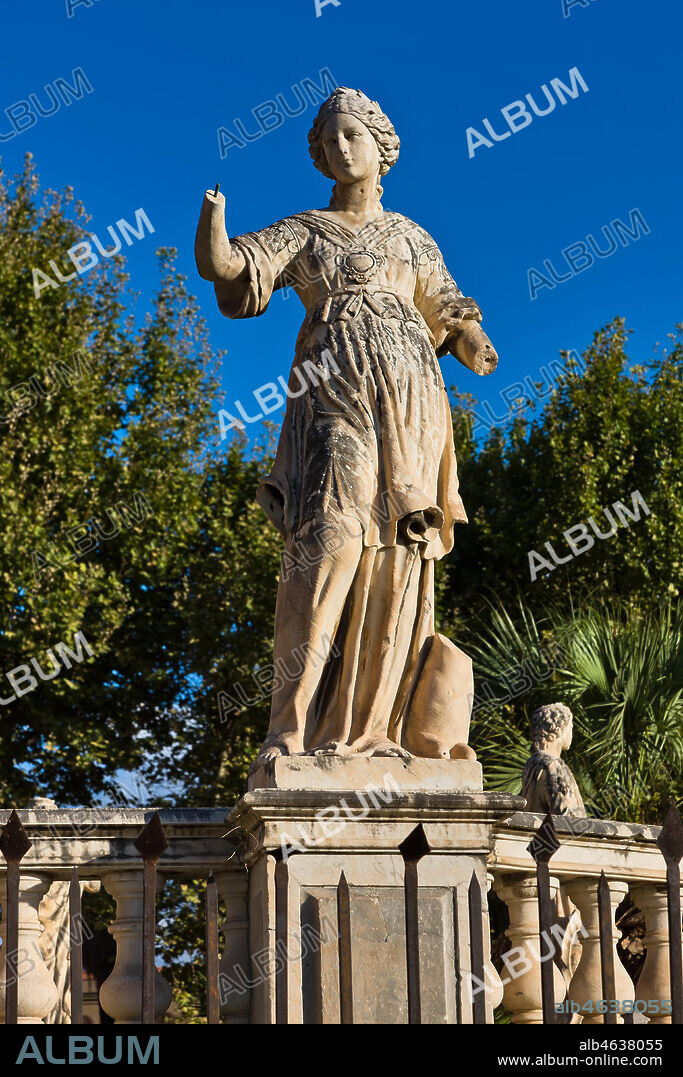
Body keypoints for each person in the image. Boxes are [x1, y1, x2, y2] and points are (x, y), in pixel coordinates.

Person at [195, 87, 498, 770]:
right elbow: (231, 271)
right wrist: (213, 218)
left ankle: (370, 730)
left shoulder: (411, 237)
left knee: (395, 555)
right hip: (329, 395)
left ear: (380, 145)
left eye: (351, 135)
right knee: (327, 543)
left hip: (411, 401)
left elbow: (447, 305)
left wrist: (472, 338)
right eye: (328, 140)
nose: (340, 148)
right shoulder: (305, 230)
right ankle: (290, 728)